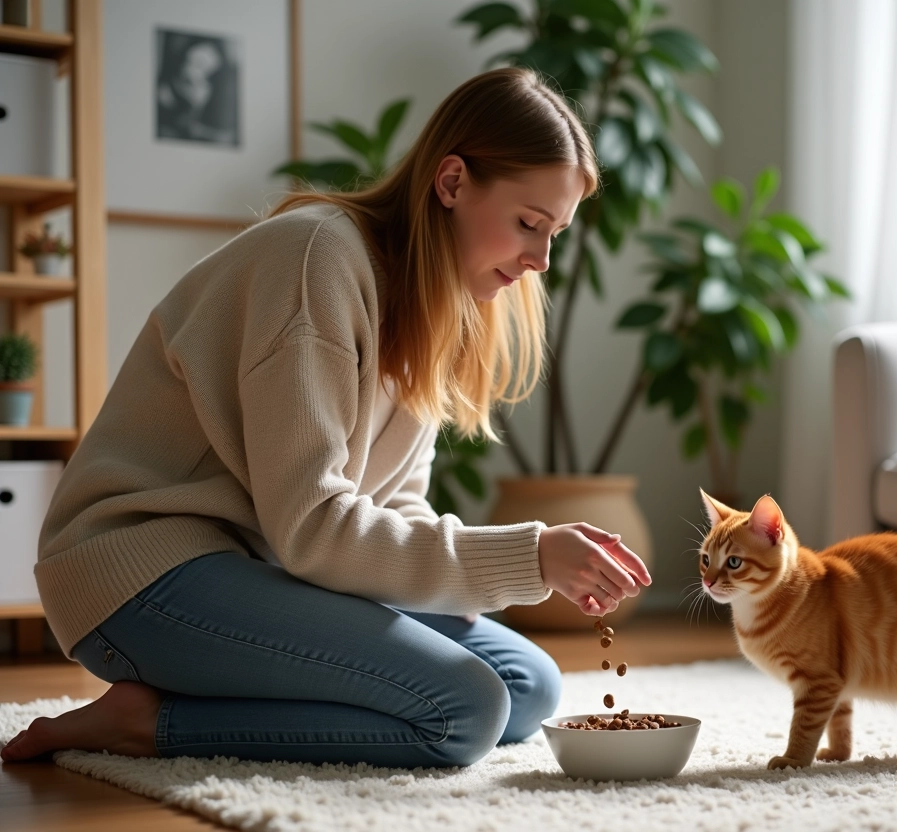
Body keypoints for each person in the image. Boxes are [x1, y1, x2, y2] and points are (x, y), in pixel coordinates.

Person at [1, 67, 650, 769]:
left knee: (528, 686)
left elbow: (393, 500)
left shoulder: (438, 300)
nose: (540, 260)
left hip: (269, 566)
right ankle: (146, 721)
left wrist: (455, 582)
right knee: (465, 709)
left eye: (555, 234)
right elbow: (313, 528)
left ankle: (198, 700)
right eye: (529, 224)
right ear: (453, 182)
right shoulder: (317, 258)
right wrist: (527, 557)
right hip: (146, 573)